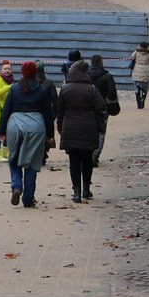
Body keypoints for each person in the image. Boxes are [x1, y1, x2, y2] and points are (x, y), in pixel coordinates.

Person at [0, 60, 57, 207]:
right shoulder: (42, 90)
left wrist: (1, 130)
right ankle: (28, 198)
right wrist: (50, 134)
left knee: (14, 159)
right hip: (36, 127)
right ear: (35, 73)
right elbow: (48, 114)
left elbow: (6, 110)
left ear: (22, 72)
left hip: (15, 126)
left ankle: (16, 186)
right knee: (32, 163)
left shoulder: (15, 89)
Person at [57, 61, 105, 202]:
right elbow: (101, 106)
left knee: (74, 160)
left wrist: (60, 127)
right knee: (87, 159)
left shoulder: (65, 88)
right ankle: (86, 189)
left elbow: (59, 111)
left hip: (70, 126)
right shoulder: (92, 89)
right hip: (89, 126)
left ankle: (76, 192)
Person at [87, 53, 120, 164]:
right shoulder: (107, 76)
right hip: (102, 108)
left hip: (88, 107)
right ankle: (96, 153)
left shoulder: (86, 75)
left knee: (88, 131)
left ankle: (89, 152)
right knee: (101, 131)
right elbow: (112, 94)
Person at [129, 41, 149, 113]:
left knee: (136, 87)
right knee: (145, 87)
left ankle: (138, 102)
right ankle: (143, 99)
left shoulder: (136, 52)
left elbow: (132, 57)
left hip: (137, 71)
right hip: (146, 71)